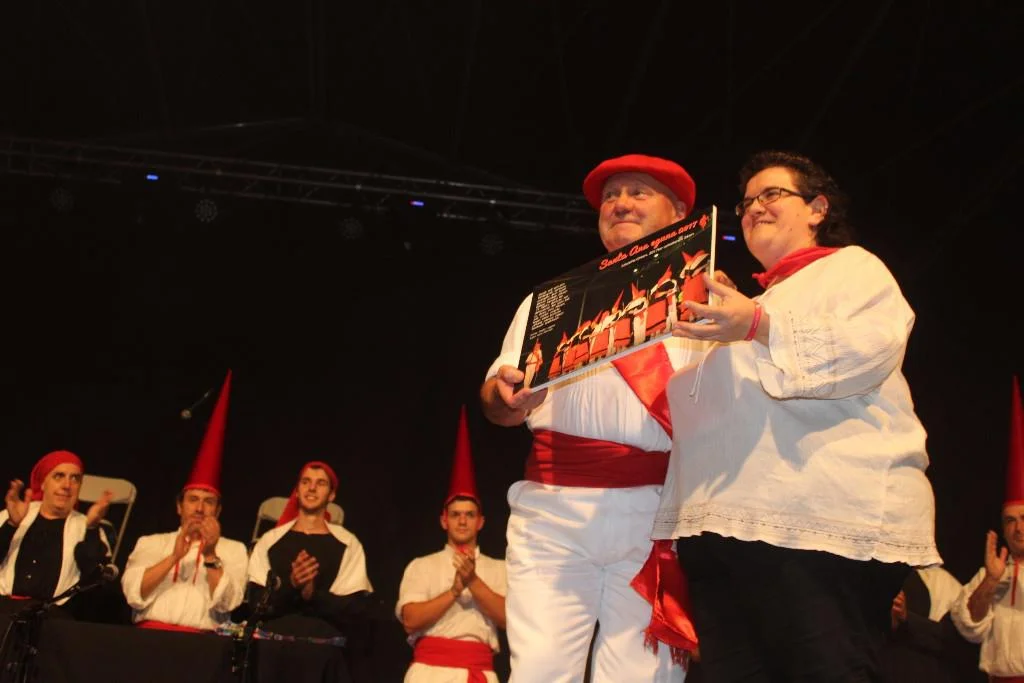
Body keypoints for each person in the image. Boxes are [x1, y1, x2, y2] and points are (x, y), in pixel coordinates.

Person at [654, 150, 940, 681]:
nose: (753, 208)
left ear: (817, 208)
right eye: (745, 203)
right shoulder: (751, 304)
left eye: (772, 194)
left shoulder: (852, 267)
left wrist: (758, 325)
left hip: (820, 529)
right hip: (725, 534)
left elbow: (870, 348)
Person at [481, 154, 706, 682]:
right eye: (611, 196)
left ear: (679, 214)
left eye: (638, 193)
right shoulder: (551, 302)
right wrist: (505, 396)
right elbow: (497, 405)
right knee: (538, 673)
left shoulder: (707, 303)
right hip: (554, 515)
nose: (620, 204)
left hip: (657, 519)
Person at [121, 371, 247, 631]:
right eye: (193, 500)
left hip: (202, 642)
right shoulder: (151, 543)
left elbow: (229, 604)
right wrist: (174, 557)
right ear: (179, 506)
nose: (199, 508)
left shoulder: (234, 550)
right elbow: (133, 593)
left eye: (208, 502)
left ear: (218, 510)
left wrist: (210, 555)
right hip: (149, 636)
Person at [397, 406, 507, 683]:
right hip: (429, 672)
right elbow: (410, 620)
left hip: (478, 670)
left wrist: (473, 582)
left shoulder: (500, 568)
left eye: (469, 515)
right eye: (456, 515)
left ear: (481, 522)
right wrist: (455, 590)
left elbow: (511, 620)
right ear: (443, 520)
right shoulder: (422, 566)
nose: (462, 521)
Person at [247, 461, 376, 682]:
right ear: (297, 491)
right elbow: (256, 603)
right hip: (274, 654)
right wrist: (291, 586)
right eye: (306, 482)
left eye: (320, 483)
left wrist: (312, 594)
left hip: (323, 656)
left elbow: (353, 611)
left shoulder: (348, 543)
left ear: (331, 495)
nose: (312, 488)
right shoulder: (270, 540)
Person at [951, 377, 1024, 681]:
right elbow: (969, 627)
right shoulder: (991, 574)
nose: (1018, 528)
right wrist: (991, 582)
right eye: (1010, 520)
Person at [0, 450, 112, 608]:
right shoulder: (12, 514)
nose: (67, 485)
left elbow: (95, 581)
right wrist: (11, 525)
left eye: (75, 478)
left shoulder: (85, 525)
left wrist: (92, 529)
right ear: (43, 483)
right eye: (59, 476)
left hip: (53, 615)